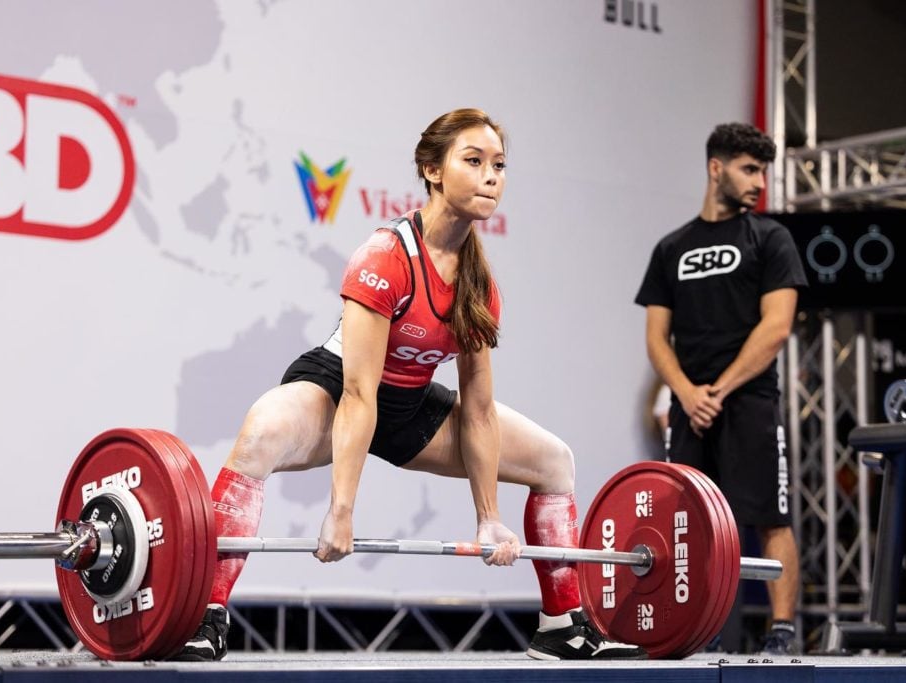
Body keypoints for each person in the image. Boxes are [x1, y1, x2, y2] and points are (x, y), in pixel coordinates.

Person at [176, 108, 647, 662]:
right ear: (432, 170)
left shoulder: (479, 286)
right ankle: (202, 614)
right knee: (260, 434)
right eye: (473, 161)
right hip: (336, 390)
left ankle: (561, 626)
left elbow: (478, 410)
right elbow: (358, 393)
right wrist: (342, 511)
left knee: (554, 462)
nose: (491, 175)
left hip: (409, 405)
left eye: (499, 164)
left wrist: (488, 518)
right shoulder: (386, 257)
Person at [633, 122, 807, 655]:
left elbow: (775, 328)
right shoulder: (672, 248)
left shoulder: (771, 239)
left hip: (749, 401)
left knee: (767, 514)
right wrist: (686, 393)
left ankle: (780, 629)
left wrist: (720, 389)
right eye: (749, 169)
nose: (759, 182)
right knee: (685, 524)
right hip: (690, 407)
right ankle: (690, 627)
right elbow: (657, 338)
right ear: (716, 169)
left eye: (763, 171)